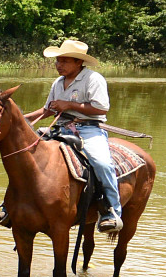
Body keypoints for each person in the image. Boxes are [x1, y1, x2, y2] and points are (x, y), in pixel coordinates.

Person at [20, 38, 123, 235]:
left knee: (101, 163)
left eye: (65, 61)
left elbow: (101, 107)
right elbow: (48, 109)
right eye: (58, 61)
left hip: (89, 129)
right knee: (27, 153)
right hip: (60, 128)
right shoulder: (58, 82)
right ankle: (12, 204)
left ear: (78, 62)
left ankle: (112, 210)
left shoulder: (93, 79)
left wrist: (70, 105)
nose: (59, 65)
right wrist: (23, 118)